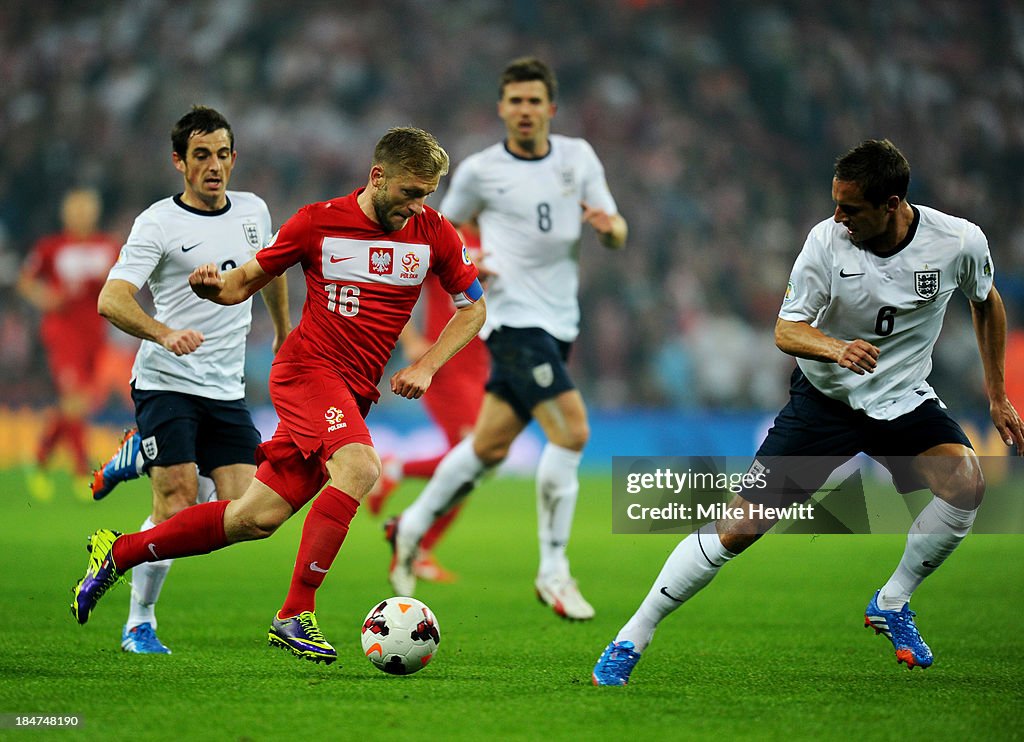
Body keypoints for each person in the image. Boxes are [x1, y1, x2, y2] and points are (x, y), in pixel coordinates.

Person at [592, 139, 1024, 685]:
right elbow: (786, 328)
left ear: (892, 203)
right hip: (825, 404)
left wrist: (996, 393)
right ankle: (632, 635)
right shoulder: (826, 242)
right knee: (739, 528)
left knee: (967, 486)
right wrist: (836, 348)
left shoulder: (957, 241)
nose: (838, 217)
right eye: (836, 204)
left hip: (903, 400)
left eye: (852, 208)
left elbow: (985, 301)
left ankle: (892, 601)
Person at [70, 126, 485, 666]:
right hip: (307, 371)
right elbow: (242, 282)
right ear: (378, 176)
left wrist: (428, 365)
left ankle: (118, 551)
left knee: (252, 519)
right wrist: (211, 288)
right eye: (410, 191)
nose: (418, 205)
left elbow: (472, 308)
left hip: (354, 391)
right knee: (359, 467)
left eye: (427, 193)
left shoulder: (434, 232)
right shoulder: (317, 221)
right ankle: (295, 614)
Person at [387, 57, 628, 621]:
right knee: (572, 432)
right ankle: (554, 570)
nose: (524, 110)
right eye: (514, 101)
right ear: (502, 108)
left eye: (533, 101)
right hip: (512, 322)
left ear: (550, 108)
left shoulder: (578, 158)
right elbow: (432, 237)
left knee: (487, 448)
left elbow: (616, 231)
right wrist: (466, 258)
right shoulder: (478, 171)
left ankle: (410, 530)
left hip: (560, 322)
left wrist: (609, 229)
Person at [89, 106, 292, 654]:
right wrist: (162, 333)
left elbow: (267, 270)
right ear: (179, 162)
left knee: (247, 513)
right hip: (166, 380)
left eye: (223, 155)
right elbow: (111, 299)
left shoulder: (253, 211)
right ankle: (140, 623)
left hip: (225, 391)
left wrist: (282, 332)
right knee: (177, 504)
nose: (214, 166)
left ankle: (137, 457)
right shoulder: (158, 222)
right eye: (201, 155)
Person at [367, 226, 490, 583]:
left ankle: (419, 545)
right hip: (446, 359)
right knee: (471, 455)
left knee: (473, 466)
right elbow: (395, 285)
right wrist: (411, 340)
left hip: (480, 366)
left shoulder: (504, 236)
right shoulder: (446, 235)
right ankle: (396, 474)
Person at [16, 188, 122, 500]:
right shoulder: (51, 248)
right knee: (74, 400)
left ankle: (39, 457)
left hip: (95, 334)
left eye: (87, 210)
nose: (81, 215)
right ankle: (81, 472)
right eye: (76, 210)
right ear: (66, 214)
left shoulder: (108, 247)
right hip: (63, 334)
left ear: (95, 213)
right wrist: (43, 297)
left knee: (76, 404)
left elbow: (122, 281)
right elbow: (25, 280)